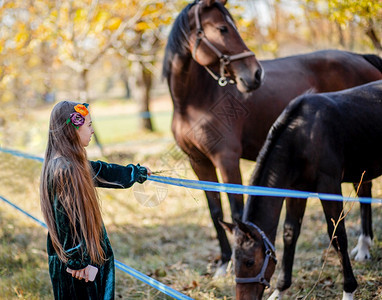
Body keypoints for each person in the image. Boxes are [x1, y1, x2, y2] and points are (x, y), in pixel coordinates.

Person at [40, 100, 151, 299]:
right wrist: (77, 261)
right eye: (89, 125)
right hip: (79, 262)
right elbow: (64, 219)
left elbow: (103, 171)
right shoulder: (64, 169)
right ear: (72, 129)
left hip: (83, 254)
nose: (92, 131)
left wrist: (135, 173)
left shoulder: (73, 163)